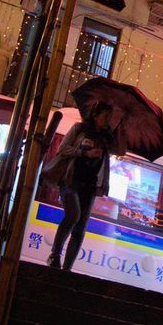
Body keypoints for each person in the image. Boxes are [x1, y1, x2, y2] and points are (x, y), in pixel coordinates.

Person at [43, 103, 123, 271]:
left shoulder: (107, 137)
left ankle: (67, 268)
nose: (108, 120)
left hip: (91, 185)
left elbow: (121, 150)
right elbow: (63, 148)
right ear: (95, 115)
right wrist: (84, 153)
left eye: (110, 117)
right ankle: (55, 255)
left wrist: (121, 125)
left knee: (80, 228)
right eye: (106, 116)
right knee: (74, 214)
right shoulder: (79, 129)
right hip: (71, 180)